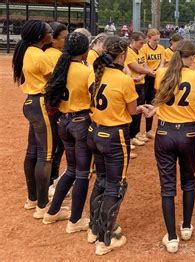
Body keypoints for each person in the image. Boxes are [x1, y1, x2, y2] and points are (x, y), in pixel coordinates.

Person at [143, 40, 195, 253]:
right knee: (189, 180)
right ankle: (187, 226)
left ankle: (172, 237)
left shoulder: (162, 73)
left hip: (165, 132)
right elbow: (191, 99)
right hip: (188, 132)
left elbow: (165, 98)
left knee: (167, 185)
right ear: (190, 57)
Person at [87, 35, 147, 255]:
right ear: (121, 55)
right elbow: (132, 110)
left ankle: (94, 228)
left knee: (101, 181)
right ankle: (106, 238)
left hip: (95, 132)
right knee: (116, 185)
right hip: (114, 136)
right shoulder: (123, 79)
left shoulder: (94, 73)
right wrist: (143, 109)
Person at [43, 32, 93, 232]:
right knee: (82, 172)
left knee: (71, 169)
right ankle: (75, 220)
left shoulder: (60, 67)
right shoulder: (85, 70)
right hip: (80, 122)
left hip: (63, 122)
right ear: (84, 51)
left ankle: (52, 212)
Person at [12, 20, 54, 218]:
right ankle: (43, 205)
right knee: (45, 155)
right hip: (41, 104)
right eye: (48, 31)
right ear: (40, 36)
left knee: (33, 151)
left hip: (31, 103)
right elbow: (55, 80)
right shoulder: (40, 55)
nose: (51, 32)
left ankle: (33, 199)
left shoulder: (28, 51)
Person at [43, 22, 68, 193]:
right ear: (53, 40)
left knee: (55, 145)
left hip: (52, 103)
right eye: (64, 38)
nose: (66, 41)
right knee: (55, 146)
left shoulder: (56, 53)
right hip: (54, 105)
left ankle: (51, 180)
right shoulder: (53, 55)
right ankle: (51, 182)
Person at [125, 32, 156, 155]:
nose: (142, 45)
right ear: (133, 40)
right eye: (140, 43)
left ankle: (135, 134)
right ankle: (130, 137)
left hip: (141, 83)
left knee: (139, 110)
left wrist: (144, 74)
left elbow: (144, 66)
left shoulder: (141, 51)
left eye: (143, 43)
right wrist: (148, 72)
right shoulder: (128, 52)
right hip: (132, 85)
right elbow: (135, 67)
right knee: (132, 111)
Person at [141, 28, 165, 140]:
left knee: (151, 102)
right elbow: (144, 63)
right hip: (146, 77)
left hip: (155, 78)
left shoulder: (161, 48)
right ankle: (136, 132)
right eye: (155, 40)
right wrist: (150, 72)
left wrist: (157, 72)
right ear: (149, 38)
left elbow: (162, 62)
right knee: (142, 103)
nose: (157, 42)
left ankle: (149, 130)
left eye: (158, 40)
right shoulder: (144, 48)